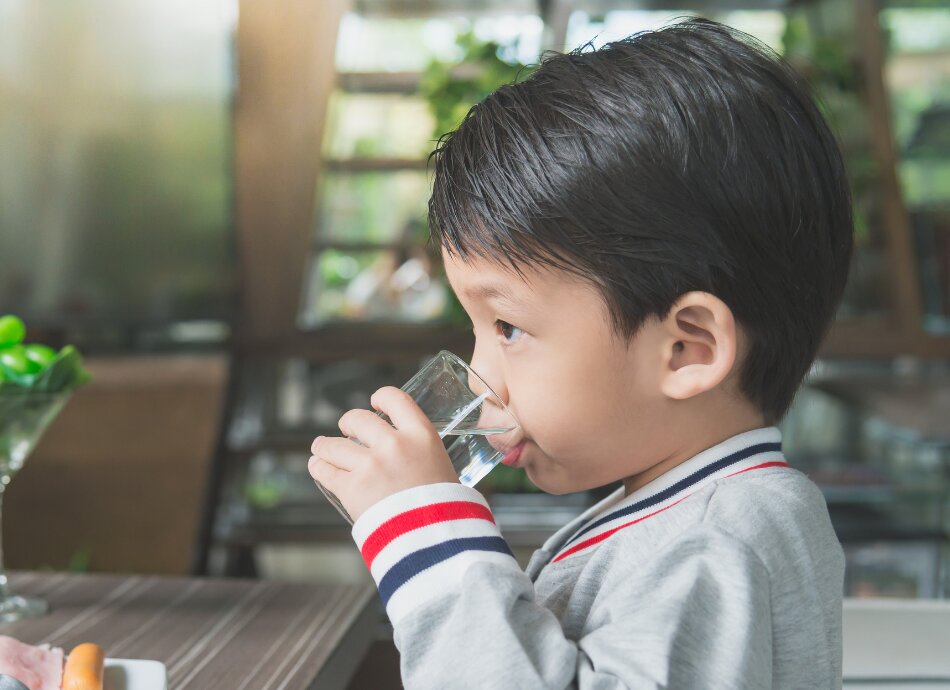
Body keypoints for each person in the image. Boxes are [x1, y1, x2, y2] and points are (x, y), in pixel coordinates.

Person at [309, 17, 852, 689]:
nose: (484, 383)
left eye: (508, 328)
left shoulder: (714, 541)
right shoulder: (694, 514)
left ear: (686, 349)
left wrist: (429, 536)